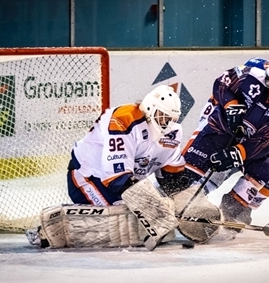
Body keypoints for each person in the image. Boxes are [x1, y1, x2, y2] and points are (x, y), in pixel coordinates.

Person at [28, 85, 188, 251]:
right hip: (88, 177)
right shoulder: (125, 119)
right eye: (162, 117)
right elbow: (118, 179)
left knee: (149, 220)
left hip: (124, 185)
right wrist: (151, 205)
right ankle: (53, 226)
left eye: (171, 119)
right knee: (122, 218)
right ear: (150, 108)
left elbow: (173, 178)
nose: (166, 124)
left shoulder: (173, 132)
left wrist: (185, 207)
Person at [174, 56, 269, 242]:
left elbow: (265, 143)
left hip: (251, 144)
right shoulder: (252, 74)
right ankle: (178, 200)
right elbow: (221, 84)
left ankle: (233, 212)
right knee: (190, 171)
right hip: (221, 130)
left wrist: (239, 152)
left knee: (266, 171)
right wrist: (230, 104)